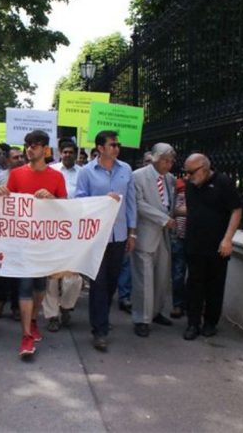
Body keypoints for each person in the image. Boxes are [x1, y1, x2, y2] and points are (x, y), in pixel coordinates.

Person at [0, 130, 68, 357]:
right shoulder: (16, 174)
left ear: (45, 150)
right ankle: (26, 336)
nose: (30, 149)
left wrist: (52, 199)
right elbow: (10, 207)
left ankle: (34, 319)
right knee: (25, 287)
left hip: (45, 243)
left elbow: (67, 209)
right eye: (27, 145)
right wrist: (3, 195)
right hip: (22, 242)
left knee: (40, 288)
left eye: (35, 145)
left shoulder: (56, 177)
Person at [75, 130, 136, 352]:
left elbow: (131, 204)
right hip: (96, 237)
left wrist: (132, 233)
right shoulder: (86, 172)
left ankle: (102, 317)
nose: (117, 148)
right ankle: (99, 330)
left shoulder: (126, 169)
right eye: (112, 145)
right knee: (98, 283)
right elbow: (80, 202)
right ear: (100, 148)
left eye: (118, 145)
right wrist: (103, 200)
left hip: (119, 235)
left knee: (111, 282)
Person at [182, 153, 242, 340]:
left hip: (217, 245)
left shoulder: (223, 182)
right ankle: (193, 324)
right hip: (194, 244)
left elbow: (236, 210)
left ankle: (210, 323)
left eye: (192, 172)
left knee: (215, 286)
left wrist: (227, 239)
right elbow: (192, 210)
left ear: (204, 168)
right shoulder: (191, 185)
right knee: (194, 285)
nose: (188, 176)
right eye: (187, 172)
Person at [130, 143, 176, 338]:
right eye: (166, 160)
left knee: (162, 277)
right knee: (144, 279)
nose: (169, 164)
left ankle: (155, 312)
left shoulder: (170, 179)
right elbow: (138, 203)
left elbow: (169, 203)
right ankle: (142, 319)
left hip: (165, 236)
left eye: (172, 161)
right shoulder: (138, 176)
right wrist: (163, 219)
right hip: (146, 233)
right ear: (155, 158)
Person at [44, 140, 84, 332]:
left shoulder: (83, 174)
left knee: (73, 277)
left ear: (76, 154)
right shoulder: (50, 171)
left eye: (71, 152)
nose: (67, 155)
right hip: (51, 227)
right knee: (51, 276)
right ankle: (52, 315)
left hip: (74, 228)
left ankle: (67, 306)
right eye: (65, 152)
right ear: (60, 152)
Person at [0, 146, 25, 321]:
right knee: (2, 269)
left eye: (21, 156)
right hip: (3, 232)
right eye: (15, 157)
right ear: (8, 160)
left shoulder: (30, 176)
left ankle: (15, 306)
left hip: (23, 232)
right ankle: (0, 301)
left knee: (18, 271)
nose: (19, 159)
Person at [170, 177, 187, 318]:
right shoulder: (179, 187)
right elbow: (173, 210)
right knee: (178, 273)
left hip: (196, 237)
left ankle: (191, 304)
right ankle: (178, 305)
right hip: (179, 236)